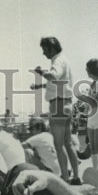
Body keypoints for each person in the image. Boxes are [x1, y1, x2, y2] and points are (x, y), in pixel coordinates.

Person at [31, 36, 81, 185]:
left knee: (58, 145)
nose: (43, 53)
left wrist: (41, 72)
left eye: (44, 49)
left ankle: (65, 177)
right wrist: (40, 86)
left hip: (58, 105)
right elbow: (58, 83)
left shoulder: (57, 61)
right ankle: (76, 177)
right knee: (68, 143)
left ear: (51, 48)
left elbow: (53, 75)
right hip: (67, 104)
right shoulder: (65, 60)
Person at [81, 58, 98, 173]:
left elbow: (93, 100)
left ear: (91, 70)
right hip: (91, 117)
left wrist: (84, 99)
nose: (86, 71)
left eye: (87, 68)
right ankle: (96, 171)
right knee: (92, 147)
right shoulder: (92, 85)